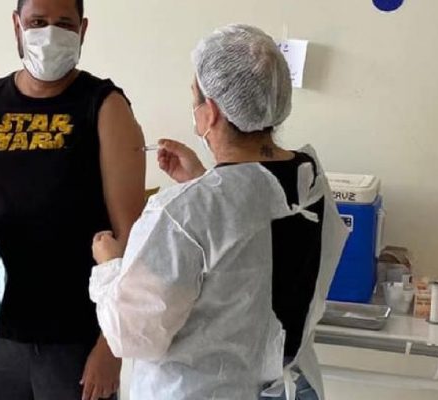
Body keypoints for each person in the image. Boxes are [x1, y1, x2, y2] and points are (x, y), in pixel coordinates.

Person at [89, 24, 349, 400]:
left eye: (194, 97)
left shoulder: (179, 213)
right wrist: (202, 179)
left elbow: (133, 334)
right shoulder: (310, 178)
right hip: (293, 386)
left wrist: (110, 265)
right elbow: (256, 224)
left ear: (209, 113)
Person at [0, 0, 145, 399]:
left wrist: (111, 346)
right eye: (37, 21)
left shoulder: (105, 105)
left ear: (83, 30)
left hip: (76, 337)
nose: (50, 34)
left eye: (64, 24)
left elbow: (132, 235)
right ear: (16, 25)